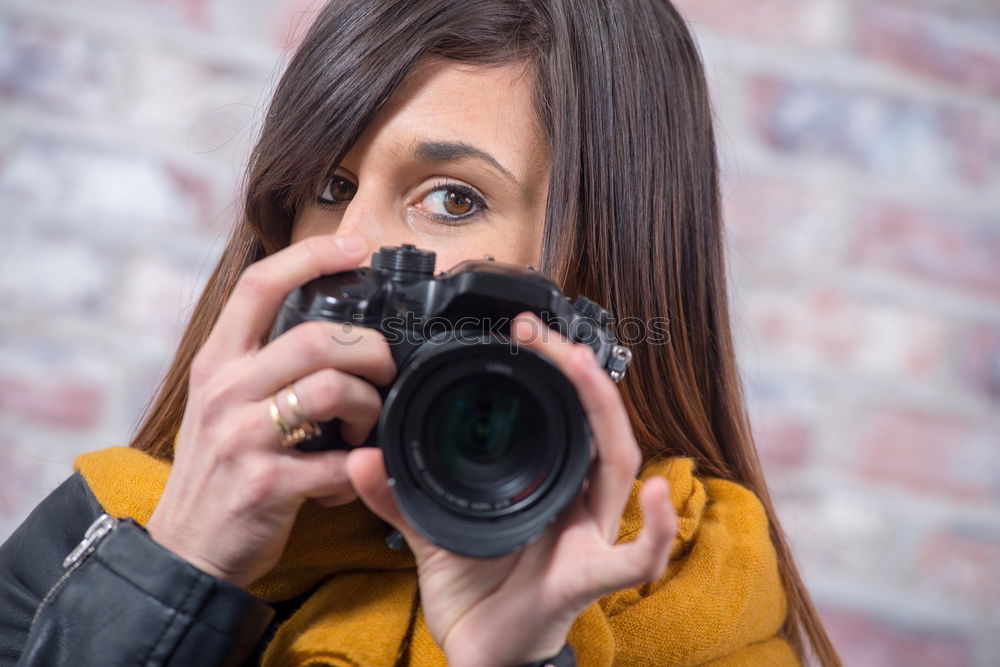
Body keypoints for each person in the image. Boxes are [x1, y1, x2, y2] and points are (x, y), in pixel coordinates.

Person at [0, 1, 842, 665]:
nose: (343, 247)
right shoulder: (110, 532)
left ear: (609, 265)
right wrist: (174, 574)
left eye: (452, 198)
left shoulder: (704, 600)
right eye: (328, 183)